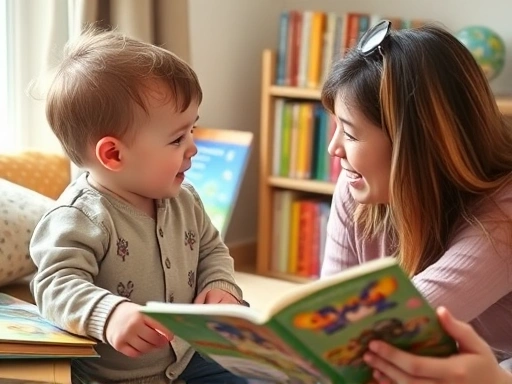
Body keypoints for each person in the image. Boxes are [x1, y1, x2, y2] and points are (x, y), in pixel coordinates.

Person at [29, 27, 247, 384]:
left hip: (193, 358)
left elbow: (211, 249)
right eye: (177, 138)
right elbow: (55, 285)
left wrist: (221, 285)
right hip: (117, 377)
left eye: (193, 129)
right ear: (114, 154)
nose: (193, 148)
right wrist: (109, 314)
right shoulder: (80, 217)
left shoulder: (185, 197)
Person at [320, 20, 512, 383]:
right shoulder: (357, 191)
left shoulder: (504, 212)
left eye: (349, 132)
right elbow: (331, 315)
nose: (334, 149)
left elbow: (380, 324)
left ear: (415, 144)